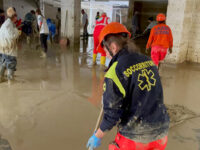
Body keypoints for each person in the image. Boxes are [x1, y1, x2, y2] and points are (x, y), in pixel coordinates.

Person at [87, 22, 170, 150]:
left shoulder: (115, 71)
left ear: (113, 47)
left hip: (135, 138)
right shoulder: (148, 60)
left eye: (105, 50)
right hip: (161, 134)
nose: (106, 54)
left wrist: (97, 136)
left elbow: (112, 115)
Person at [0, 7, 21, 83]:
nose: (16, 18)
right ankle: (10, 80)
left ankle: (1, 77)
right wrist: (17, 32)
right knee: (11, 63)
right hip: (9, 49)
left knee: (3, 63)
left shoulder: (6, 23)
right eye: (16, 16)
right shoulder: (9, 25)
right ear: (13, 17)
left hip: (3, 48)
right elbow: (12, 36)